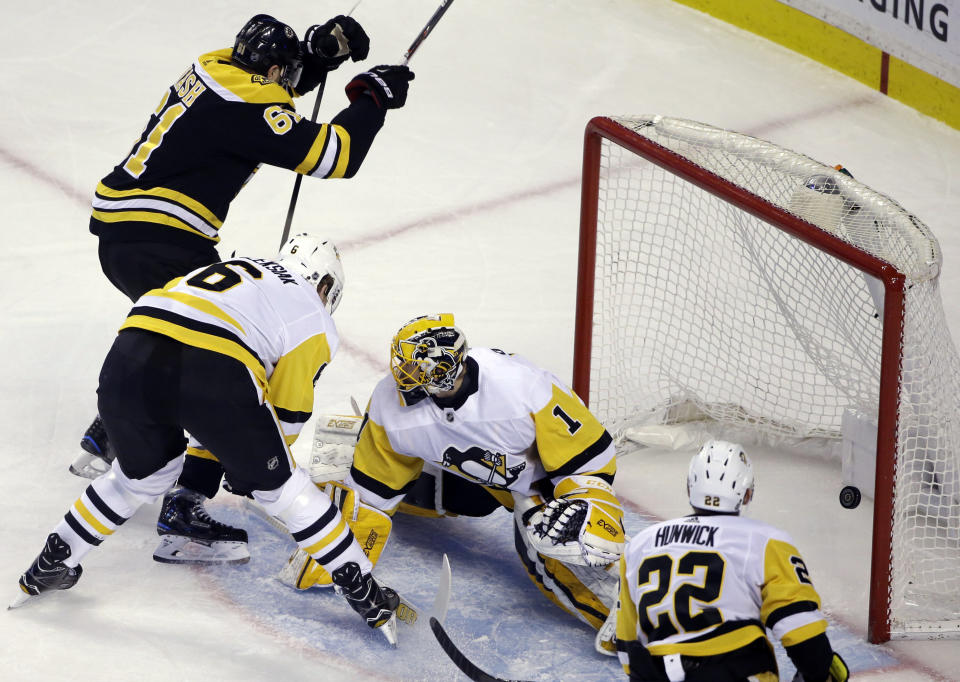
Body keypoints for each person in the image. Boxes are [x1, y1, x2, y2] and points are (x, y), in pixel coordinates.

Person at [69, 13, 416, 565]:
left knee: (180, 340)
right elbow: (336, 155)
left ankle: (108, 433)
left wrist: (316, 57)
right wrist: (370, 98)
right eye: (287, 75)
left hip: (125, 234)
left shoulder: (215, 64)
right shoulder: (249, 103)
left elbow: (265, 95)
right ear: (272, 69)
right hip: (162, 240)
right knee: (219, 361)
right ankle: (181, 504)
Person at [16, 234, 401, 644]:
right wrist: (257, 468)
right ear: (324, 284)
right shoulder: (313, 314)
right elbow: (286, 414)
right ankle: (364, 590)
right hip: (212, 366)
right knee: (286, 491)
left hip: (129, 350)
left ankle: (56, 556)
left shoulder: (238, 268)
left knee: (139, 479)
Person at [281, 313, 628, 648]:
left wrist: (589, 507)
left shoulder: (520, 386)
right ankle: (343, 450)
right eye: (402, 366)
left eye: (415, 368)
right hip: (470, 476)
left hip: (539, 483)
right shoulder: (390, 404)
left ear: (444, 367)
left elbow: (590, 458)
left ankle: (637, 626)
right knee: (446, 497)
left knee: (552, 559)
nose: (403, 377)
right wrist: (340, 558)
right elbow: (373, 493)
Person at [615, 441, 849, 681]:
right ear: (747, 493)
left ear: (689, 488)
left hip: (653, 673)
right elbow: (800, 631)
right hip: (730, 670)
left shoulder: (640, 544)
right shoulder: (766, 541)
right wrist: (820, 672)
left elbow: (626, 647)